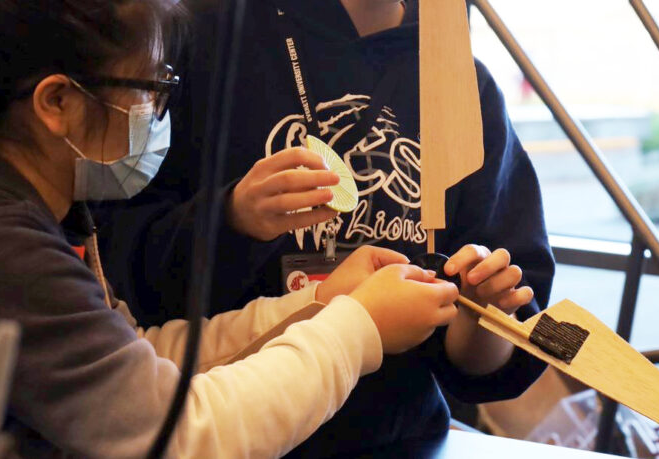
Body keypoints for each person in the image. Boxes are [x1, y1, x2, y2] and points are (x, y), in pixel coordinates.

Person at [0, 1, 461, 457]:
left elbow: (146, 360)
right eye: (152, 91)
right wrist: (360, 326)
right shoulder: (3, 249)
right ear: (58, 103)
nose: (158, 117)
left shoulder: (38, 221)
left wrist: (321, 304)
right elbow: (183, 435)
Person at [99, 0, 556, 456]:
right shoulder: (204, 37)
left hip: (398, 438)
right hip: (213, 429)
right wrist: (232, 218)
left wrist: (483, 314)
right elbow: (120, 269)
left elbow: (493, 349)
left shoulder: (458, 80)